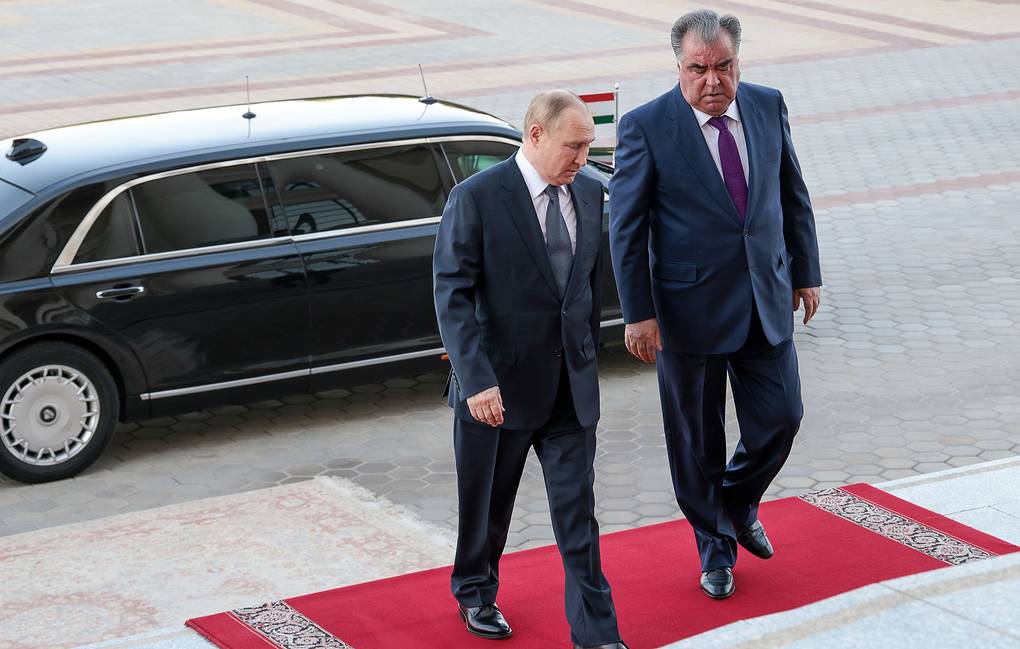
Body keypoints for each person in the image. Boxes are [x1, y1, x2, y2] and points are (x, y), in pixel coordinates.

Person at [609, 9, 822, 600]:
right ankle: (715, 548)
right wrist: (638, 313)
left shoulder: (767, 104)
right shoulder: (646, 127)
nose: (712, 80)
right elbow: (625, 229)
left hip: (764, 298)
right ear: (678, 67)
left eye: (723, 66)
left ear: (737, 62)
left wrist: (805, 272)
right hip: (687, 312)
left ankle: (735, 502)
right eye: (697, 69)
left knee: (782, 417)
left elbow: (792, 194)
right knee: (696, 443)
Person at [433, 90, 628, 649]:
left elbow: (586, 288)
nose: (583, 159)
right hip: (497, 392)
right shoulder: (477, 197)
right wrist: (476, 380)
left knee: (578, 517)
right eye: (574, 146)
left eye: (589, 146)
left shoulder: (587, 190)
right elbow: (452, 294)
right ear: (536, 135)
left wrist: (587, 357)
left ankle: (598, 635)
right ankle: (476, 591)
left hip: (570, 391)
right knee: (488, 509)